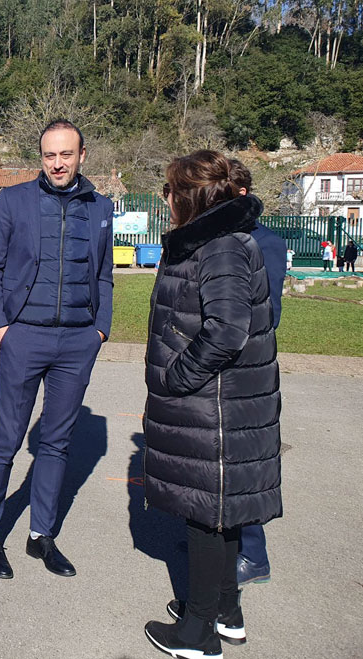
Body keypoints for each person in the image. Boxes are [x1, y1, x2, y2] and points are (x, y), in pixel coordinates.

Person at [142, 150, 281, 658]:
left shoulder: (221, 246)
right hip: (216, 406)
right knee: (219, 515)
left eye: (170, 191)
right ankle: (224, 610)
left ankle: (198, 633)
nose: (166, 199)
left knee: (204, 515)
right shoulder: (213, 242)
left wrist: (178, 377)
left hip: (214, 408)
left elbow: (227, 331)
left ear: (190, 195)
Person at [0, 119, 113, 581]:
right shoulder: (13, 201)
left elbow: (104, 276)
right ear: (42, 157)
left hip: (77, 341)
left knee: (56, 443)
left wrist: (99, 332)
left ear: (82, 155)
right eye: (50, 155)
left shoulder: (101, 208)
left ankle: (41, 536)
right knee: (7, 440)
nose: (57, 163)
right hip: (23, 337)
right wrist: (1, 328)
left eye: (66, 155)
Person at [229, 158, 286, 588]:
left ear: (242, 195)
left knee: (244, 464)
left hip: (246, 368)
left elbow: (265, 314)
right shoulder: (228, 237)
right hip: (227, 366)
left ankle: (254, 555)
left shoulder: (263, 242)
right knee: (224, 464)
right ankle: (225, 544)